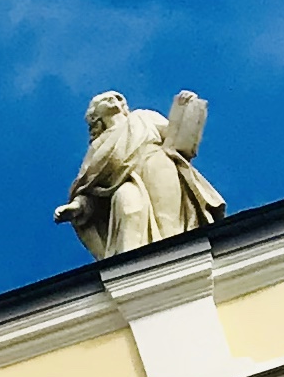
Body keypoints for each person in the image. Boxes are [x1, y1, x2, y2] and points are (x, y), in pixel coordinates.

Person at [57, 90, 223, 258]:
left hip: (157, 165)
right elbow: (89, 185)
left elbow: (177, 139)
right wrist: (77, 206)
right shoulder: (98, 145)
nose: (113, 98)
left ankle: (178, 265)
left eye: (115, 97)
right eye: (102, 100)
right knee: (127, 206)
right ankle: (130, 268)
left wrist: (184, 107)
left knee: (169, 226)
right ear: (95, 117)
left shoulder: (143, 117)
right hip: (125, 183)